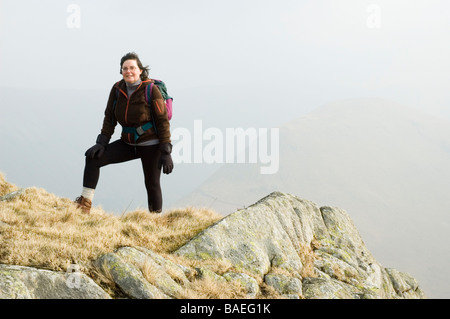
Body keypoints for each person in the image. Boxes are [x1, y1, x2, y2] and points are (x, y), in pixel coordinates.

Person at [75, 52, 173, 214]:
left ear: (140, 70)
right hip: (127, 143)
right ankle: (84, 206)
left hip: (151, 144)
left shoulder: (151, 90)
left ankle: (155, 222)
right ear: (121, 71)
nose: (129, 71)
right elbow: (109, 118)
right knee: (92, 159)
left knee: (152, 183)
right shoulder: (117, 89)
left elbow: (163, 121)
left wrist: (166, 151)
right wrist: (102, 142)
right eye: (125, 68)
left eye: (132, 68)